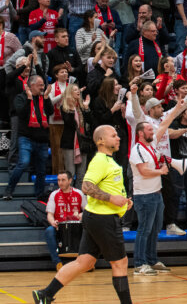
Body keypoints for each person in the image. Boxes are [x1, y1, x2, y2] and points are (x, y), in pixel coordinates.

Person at [31, 125, 133, 304]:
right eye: (114, 135)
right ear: (101, 140)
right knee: (120, 263)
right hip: (104, 220)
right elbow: (86, 186)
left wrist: (123, 201)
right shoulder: (100, 160)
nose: (118, 138)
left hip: (96, 218)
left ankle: (45, 295)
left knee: (84, 262)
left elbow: (108, 189)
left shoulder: (109, 161)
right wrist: (111, 199)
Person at [129, 98, 186, 275]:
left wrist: (178, 106)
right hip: (143, 195)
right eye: (148, 129)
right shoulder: (136, 149)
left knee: (155, 229)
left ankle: (152, 260)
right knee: (144, 229)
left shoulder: (152, 145)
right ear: (140, 133)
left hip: (155, 194)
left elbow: (165, 123)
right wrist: (161, 172)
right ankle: (139, 263)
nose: (152, 130)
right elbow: (143, 171)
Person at [2, 75, 53, 201]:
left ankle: (39, 193)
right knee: (23, 162)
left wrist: (46, 99)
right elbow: (22, 113)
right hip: (26, 137)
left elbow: (50, 112)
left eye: (43, 85)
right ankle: (9, 189)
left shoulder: (43, 98)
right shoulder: (21, 97)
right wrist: (30, 99)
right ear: (31, 86)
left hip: (42, 138)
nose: (42, 87)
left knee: (41, 169)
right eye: (40, 85)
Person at [44, 172, 87, 271]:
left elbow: (87, 210)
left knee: (90, 229)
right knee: (49, 231)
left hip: (77, 226)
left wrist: (81, 215)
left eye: (63, 180)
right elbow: (49, 214)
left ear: (70, 180)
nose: (60, 182)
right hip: (60, 226)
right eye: (58, 180)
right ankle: (57, 262)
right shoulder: (54, 194)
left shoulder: (79, 193)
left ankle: (86, 261)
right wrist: (53, 222)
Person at [60, 83, 92, 188]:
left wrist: (87, 108)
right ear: (69, 93)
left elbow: (91, 122)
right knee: (70, 173)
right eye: (74, 90)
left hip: (83, 143)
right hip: (70, 143)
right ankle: (68, 196)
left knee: (81, 175)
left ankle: (79, 197)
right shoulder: (64, 107)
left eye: (78, 89)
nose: (78, 91)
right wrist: (71, 108)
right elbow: (69, 123)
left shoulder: (82, 106)